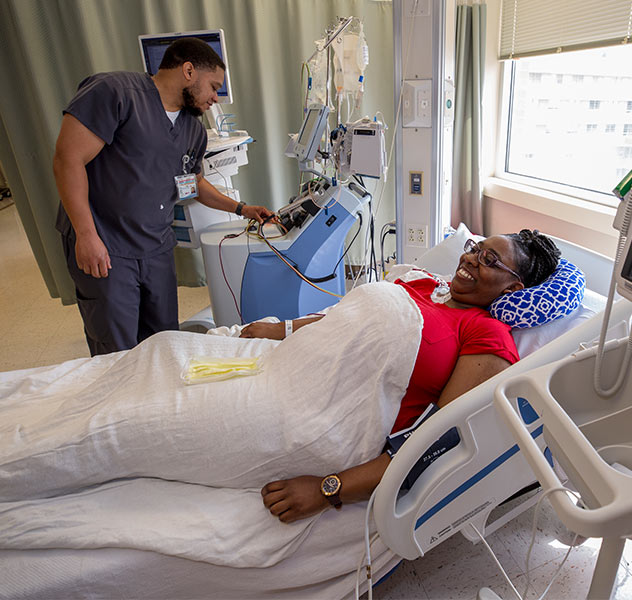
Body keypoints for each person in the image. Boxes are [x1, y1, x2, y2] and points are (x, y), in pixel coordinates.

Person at [241, 229, 562, 523]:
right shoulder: (423, 284)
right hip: (289, 365)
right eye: (474, 248)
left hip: (323, 420)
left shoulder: (487, 334)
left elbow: (435, 438)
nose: (469, 259)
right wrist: (279, 330)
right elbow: (343, 322)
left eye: (489, 260)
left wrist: (327, 490)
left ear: (513, 287)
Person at [52, 37, 274, 356]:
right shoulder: (116, 93)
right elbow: (67, 159)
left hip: (155, 248)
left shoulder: (191, 131)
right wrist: (86, 235)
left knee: (163, 342)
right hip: (107, 244)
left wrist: (242, 208)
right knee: (116, 348)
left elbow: (191, 184)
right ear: (188, 71)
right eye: (213, 86)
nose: (216, 97)